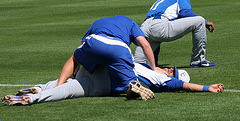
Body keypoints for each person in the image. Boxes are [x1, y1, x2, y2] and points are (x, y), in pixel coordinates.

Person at [1, 63, 224, 106]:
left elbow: (182, 86)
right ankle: (35, 95)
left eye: (172, 72)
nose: (167, 70)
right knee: (69, 88)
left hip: (100, 72)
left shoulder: (161, 80)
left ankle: (38, 90)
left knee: (68, 84)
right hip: (102, 78)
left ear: (172, 78)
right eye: (170, 68)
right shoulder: (147, 68)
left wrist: (206, 87)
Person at [134, 0, 216, 68]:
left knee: (137, 65)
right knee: (199, 21)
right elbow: (184, 12)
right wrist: (205, 22)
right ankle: (198, 61)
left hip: (144, 28)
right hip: (160, 26)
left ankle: (151, 66)